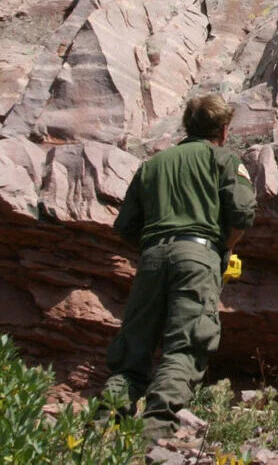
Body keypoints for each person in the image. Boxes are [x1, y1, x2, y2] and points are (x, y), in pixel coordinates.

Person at [102, 94, 256, 438]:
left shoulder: (153, 165)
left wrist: (155, 248)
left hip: (152, 258)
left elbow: (125, 226)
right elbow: (243, 213)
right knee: (185, 345)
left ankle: (100, 430)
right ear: (224, 130)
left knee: (132, 350)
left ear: (188, 126)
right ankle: (153, 434)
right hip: (199, 256)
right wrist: (225, 250)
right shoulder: (224, 160)